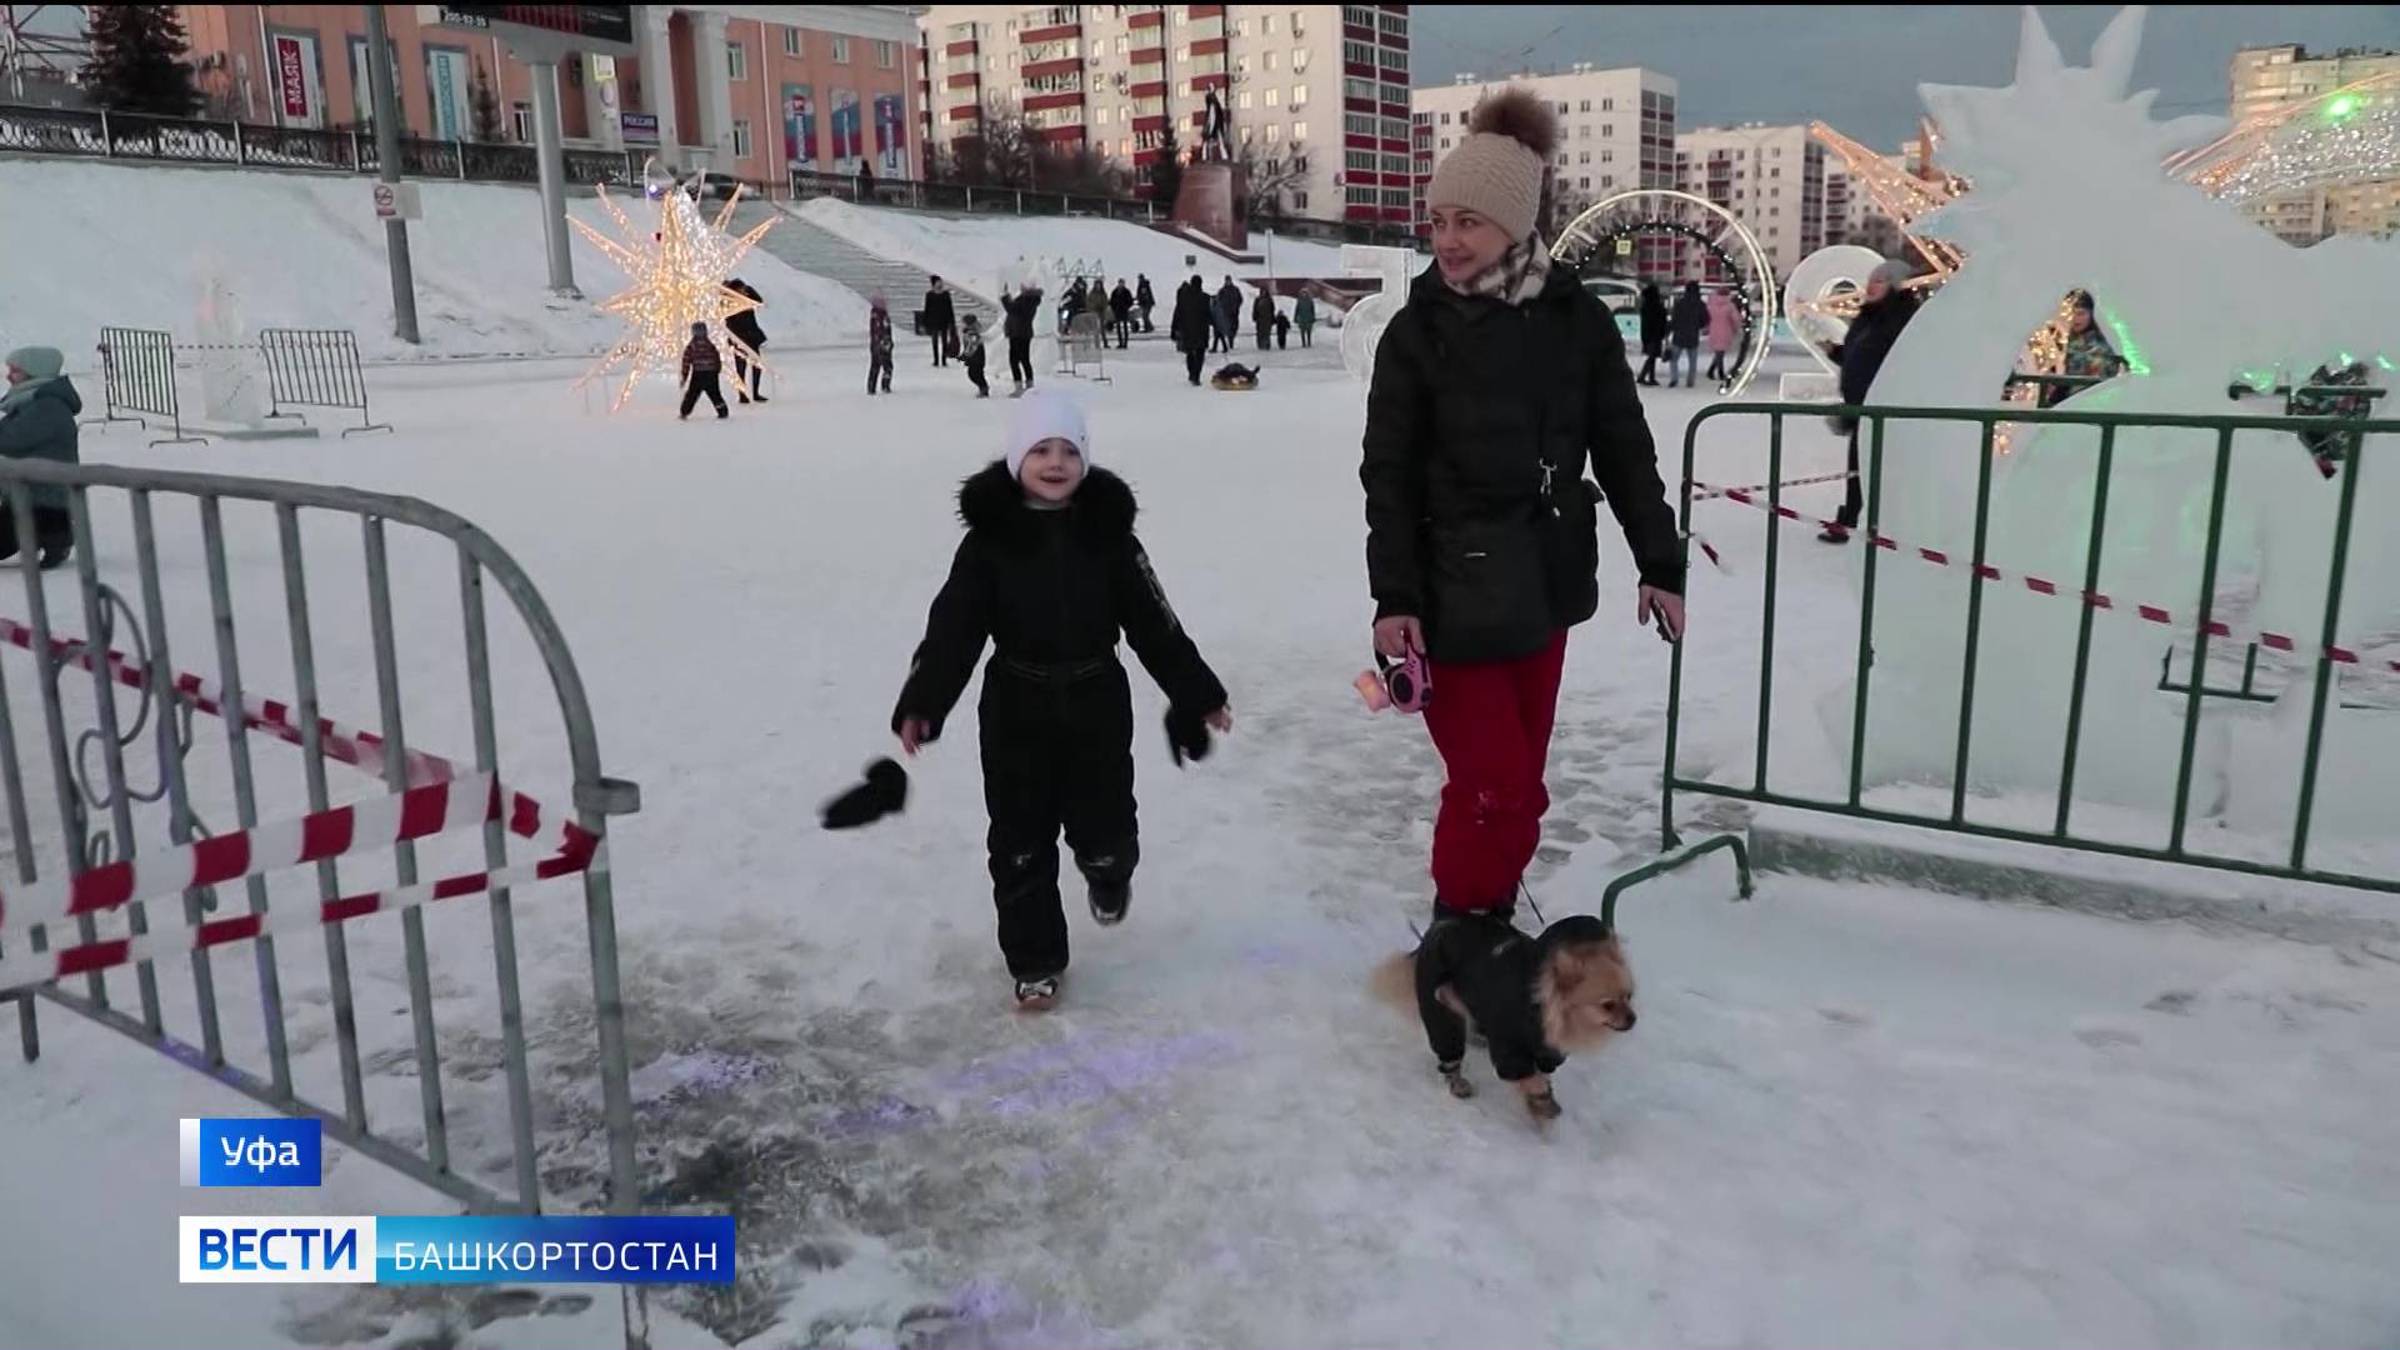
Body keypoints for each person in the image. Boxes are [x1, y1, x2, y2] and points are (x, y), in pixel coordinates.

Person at [1360, 89, 1684, 1064]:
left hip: (1544, 586)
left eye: (1467, 221)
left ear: (1515, 223)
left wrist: (1658, 562)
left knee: (1521, 787)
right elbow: (1387, 477)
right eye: (1438, 221)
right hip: (1450, 596)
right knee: (1495, 785)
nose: (1446, 240)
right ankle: (1457, 943)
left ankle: (1481, 934)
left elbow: (1624, 449)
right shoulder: (1415, 334)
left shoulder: (1576, 323)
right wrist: (1395, 602)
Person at [891, 390, 1231, 1010]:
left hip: (1096, 698)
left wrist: (1197, 691)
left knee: (1105, 828)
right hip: (1014, 705)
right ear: (1017, 459)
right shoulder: (990, 543)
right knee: (1018, 839)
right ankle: (1035, 959)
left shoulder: (1110, 537)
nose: (1055, 463)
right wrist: (925, 700)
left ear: (1085, 460)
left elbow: (1155, 623)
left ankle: (1108, 871)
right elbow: (954, 628)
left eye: (1068, 451)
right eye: (1040, 450)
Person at [1821, 259, 1919, 544]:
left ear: (1896, 285)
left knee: (1880, 470)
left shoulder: (1903, 318)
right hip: (1861, 407)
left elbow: (1896, 362)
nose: (1871, 286)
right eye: (1872, 280)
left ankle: (1886, 526)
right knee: (1859, 469)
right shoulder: (1868, 316)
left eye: (1880, 280)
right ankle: (1851, 519)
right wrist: (1837, 352)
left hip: (1886, 410)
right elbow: (1861, 357)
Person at [0, 346, 82, 569]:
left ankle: (56, 536)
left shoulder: (48, 406)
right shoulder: (32, 402)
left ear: (34, 372)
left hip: (41, 500)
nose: (8, 376)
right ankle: (54, 537)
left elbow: (11, 439)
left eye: (15, 371)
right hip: (24, 496)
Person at [2044, 290, 2123, 408]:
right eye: (2072, 313)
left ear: (2092, 315)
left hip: (2092, 402)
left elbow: (2096, 377)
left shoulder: (2103, 342)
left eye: (2081, 314)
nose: (2075, 319)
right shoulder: (2072, 338)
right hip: (2073, 400)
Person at [725, 277, 768, 403]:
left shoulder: (748, 300)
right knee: (741, 367)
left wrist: (748, 289)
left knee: (757, 365)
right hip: (738, 338)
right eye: (741, 290)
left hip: (752, 336)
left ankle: (755, 393)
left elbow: (759, 301)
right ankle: (742, 395)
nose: (744, 292)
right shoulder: (729, 302)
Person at [678, 322, 729, 420]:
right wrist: (717, 369)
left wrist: (684, 376)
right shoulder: (710, 345)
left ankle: (685, 411)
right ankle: (722, 411)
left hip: (698, 373)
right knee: (715, 393)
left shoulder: (691, 346)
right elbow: (716, 357)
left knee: (692, 394)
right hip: (711, 373)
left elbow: (686, 361)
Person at [1171, 274, 1213, 387]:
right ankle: (1196, 375)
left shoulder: (1184, 298)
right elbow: (1210, 315)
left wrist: (1174, 329)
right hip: (1202, 331)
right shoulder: (1205, 298)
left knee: (1189, 353)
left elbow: (1177, 313)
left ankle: (1191, 373)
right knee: (1200, 354)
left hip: (1187, 330)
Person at [1002, 281, 1042, 396]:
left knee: (1014, 360)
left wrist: (1005, 297)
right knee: (1024, 359)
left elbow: (1011, 309)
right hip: (1023, 333)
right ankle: (1029, 384)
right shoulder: (1031, 300)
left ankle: (1019, 386)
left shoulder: (1026, 300)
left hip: (1018, 333)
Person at [1668, 280, 1705, 388]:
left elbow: (1674, 319)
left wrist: (1671, 329)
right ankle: (1690, 381)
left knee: (1674, 359)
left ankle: (1674, 378)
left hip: (1679, 334)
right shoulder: (1700, 304)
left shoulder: (1680, 303)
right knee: (1692, 361)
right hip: (1693, 335)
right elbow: (1705, 319)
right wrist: (1698, 326)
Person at [1703, 287, 1737, 389]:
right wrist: (1735, 329)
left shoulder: (1710, 305)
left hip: (1714, 330)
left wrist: (1707, 328)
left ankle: (1712, 370)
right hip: (1726, 330)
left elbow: (1706, 318)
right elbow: (1735, 319)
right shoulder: (1730, 306)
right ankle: (1719, 372)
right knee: (1720, 353)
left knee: (1719, 352)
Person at [1636, 282, 1668, 386]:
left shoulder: (1645, 305)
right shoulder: (1657, 305)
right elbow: (1661, 320)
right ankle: (1643, 376)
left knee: (1652, 356)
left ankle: (1651, 377)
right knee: (1652, 356)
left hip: (1647, 334)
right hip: (1655, 334)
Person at [924, 276, 958, 368]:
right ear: (934, 283)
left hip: (944, 320)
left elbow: (950, 308)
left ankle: (943, 359)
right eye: (938, 282)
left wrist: (952, 321)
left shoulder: (946, 294)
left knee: (944, 341)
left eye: (941, 282)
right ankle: (936, 360)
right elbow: (927, 308)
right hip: (934, 320)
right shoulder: (929, 295)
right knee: (934, 341)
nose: (940, 284)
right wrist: (925, 321)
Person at [867, 294, 895, 395]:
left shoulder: (874, 315)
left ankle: (871, 386)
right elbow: (884, 330)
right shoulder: (882, 316)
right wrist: (886, 342)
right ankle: (885, 385)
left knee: (875, 365)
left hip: (875, 344)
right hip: (883, 344)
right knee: (887, 366)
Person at [960, 314, 990, 398]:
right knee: (976, 374)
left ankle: (984, 388)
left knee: (974, 374)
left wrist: (965, 355)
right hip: (975, 358)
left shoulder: (972, 333)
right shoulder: (969, 332)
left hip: (977, 358)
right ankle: (983, 387)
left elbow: (972, 347)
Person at [1213, 277, 1241, 353]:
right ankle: (1229, 341)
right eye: (1227, 281)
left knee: (1234, 327)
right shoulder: (1222, 290)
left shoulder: (1235, 290)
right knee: (1227, 327)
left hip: (1234, 312)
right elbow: (1218, 300)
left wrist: (1237, 306)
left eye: (1229, 280)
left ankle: (1231, 340)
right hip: (1226, 313)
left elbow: (1240, 299)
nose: (1228, 282)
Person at [1109, 279, 1135, 350]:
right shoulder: (1115, 292)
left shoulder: (1127, 292)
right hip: (1117, 311)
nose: (1121, 284)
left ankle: (1125, 343)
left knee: (1125, 327)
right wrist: (1114, 308)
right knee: (1118, 328)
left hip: (1124, 311)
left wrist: (1126, 307)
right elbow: (1112, 301)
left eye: (1122, 283)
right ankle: (1120, 343)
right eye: (1120, 283)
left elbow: (1130, 301)